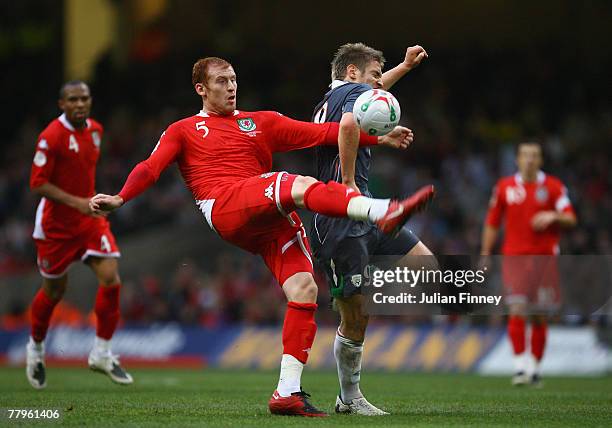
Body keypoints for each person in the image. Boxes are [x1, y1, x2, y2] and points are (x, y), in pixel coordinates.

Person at [89, 57, 434, 417]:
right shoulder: (183, 130)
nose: (231, 87)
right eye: (221, 81)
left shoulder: (262, 122)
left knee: (305, 289)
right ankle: (381, 210)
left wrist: (378, 136)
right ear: (201, 89)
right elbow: (150, 167)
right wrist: (120, 197)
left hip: (265, 216)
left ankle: (287, 392)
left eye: (234, 79)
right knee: (296, 183)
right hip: (224, 204)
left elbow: (324, 133)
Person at [311, 43, 436, 415]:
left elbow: (359, 110)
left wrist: (403, 67)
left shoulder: (334, 97)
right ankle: (349, 399)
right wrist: (348, 181)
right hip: (339, 219)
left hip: (366, 215)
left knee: (423, 269)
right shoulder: (353, 96)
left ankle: (362, 287)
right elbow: (350, 123)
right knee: (355, 319)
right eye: (373, 76)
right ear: (352, 73)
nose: (377, 86)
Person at [27, 81, 133, 389]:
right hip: (55, 228)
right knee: (54, 292)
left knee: (112, 278)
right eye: (72, 99)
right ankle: (35, 348)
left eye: (84, 98)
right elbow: (37, 183)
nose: (79, 104)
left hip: (89, 221)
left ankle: (101, 352)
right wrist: (78, 203)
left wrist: (88, 205)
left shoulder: (96, 131)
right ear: (62, 104)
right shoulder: (50, 137)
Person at [481, 142, 577, 386]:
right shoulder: (504, 187)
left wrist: (553, 216)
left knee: (538, 316)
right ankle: (520, 367)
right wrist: (485, 252)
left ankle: (534, 367)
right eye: (525, 155)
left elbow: (570, 217)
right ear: (517, 159)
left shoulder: (554, 187)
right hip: (514, 257)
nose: (530, 160)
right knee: (517, 308)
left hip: (544, 258)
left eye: (534, 155)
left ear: (541, 160)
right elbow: (492, 222)